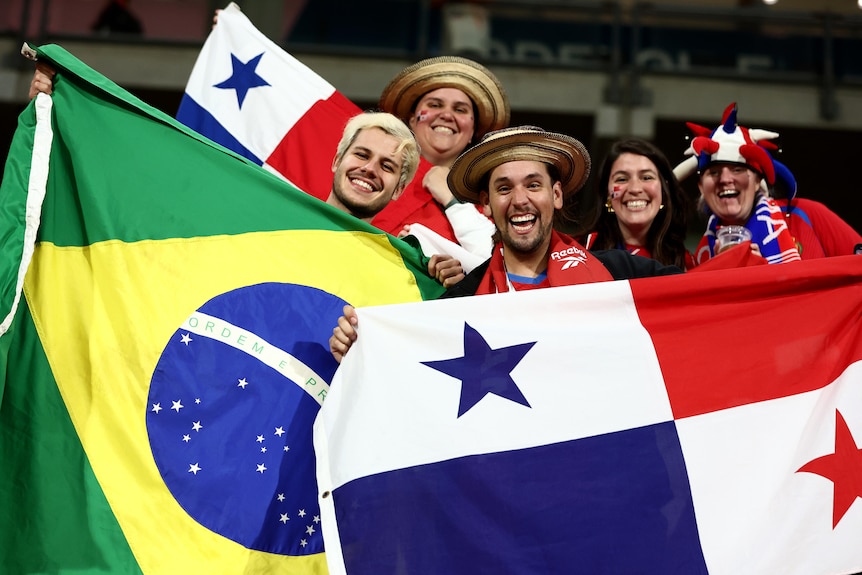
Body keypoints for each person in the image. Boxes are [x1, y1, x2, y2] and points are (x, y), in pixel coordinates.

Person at [330, 126, 682, 362]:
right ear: (485, 204)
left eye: (533, 185)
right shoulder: (459, 301)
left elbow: (706, 300)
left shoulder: (622, 275)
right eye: (504, 188)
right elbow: (410, 364)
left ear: (556, 195)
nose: (519, 200)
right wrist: (361, 350)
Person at [674, 102, 862, 265]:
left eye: (738, 170)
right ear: (701, 187)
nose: (725, 179)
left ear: (757, 182)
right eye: (714, 172)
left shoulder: (807, 215)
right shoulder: (701, 260)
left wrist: (765, 271)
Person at [371, 55, 510, 257]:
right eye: (435, 105)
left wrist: (452, 199)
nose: (446, 115)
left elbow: (502, 265)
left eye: (460, 110)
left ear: (472, 131)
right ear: (411, 120)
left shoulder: (488, 203)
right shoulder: (371, 173)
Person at [577, 138, 694, 270]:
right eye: (622, 179)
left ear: (663, 192)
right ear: (607, 195)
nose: (635, 189)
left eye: (647, 177)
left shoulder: (685, 263)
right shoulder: (576, 254)